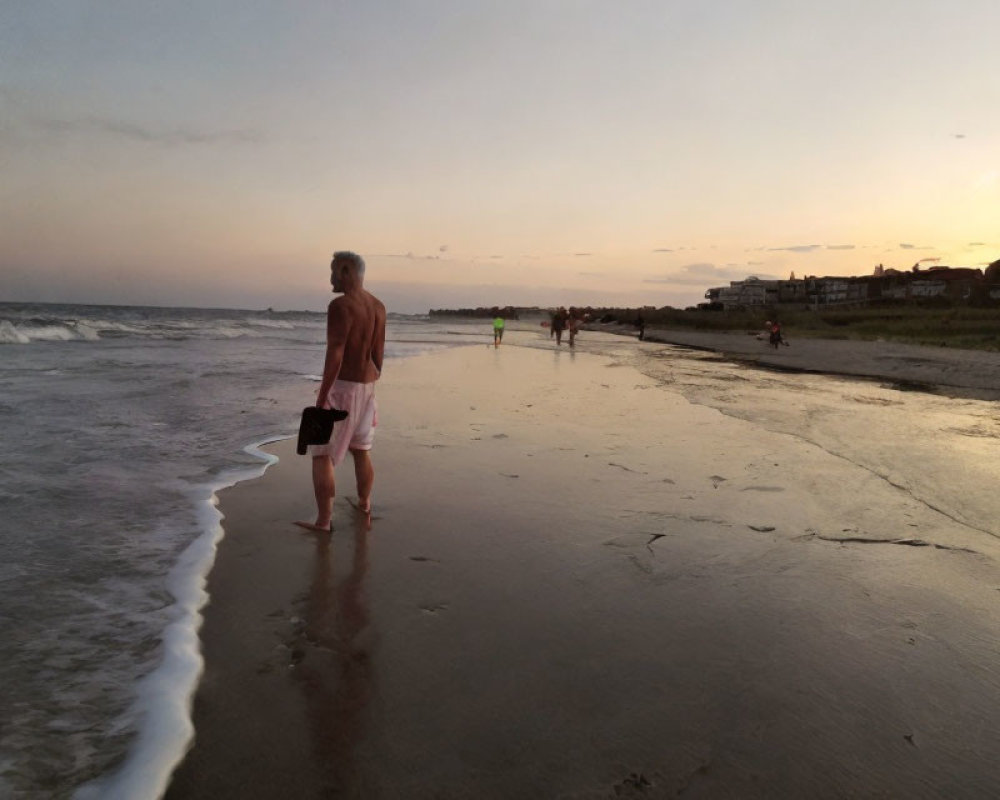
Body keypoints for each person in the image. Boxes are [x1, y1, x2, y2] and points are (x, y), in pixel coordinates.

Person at [296, 251, 386, 531]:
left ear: (347, 271)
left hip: (344, 389)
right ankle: (365, 503)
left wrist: (322, 400)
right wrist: (369, 381)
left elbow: (335, 355)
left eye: (334, 271)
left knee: (322, 454)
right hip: (367, 387)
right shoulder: (378, 306)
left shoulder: (340, 306)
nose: (331, 278)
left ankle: (323, 521)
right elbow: (378, 354)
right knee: (361, 450)